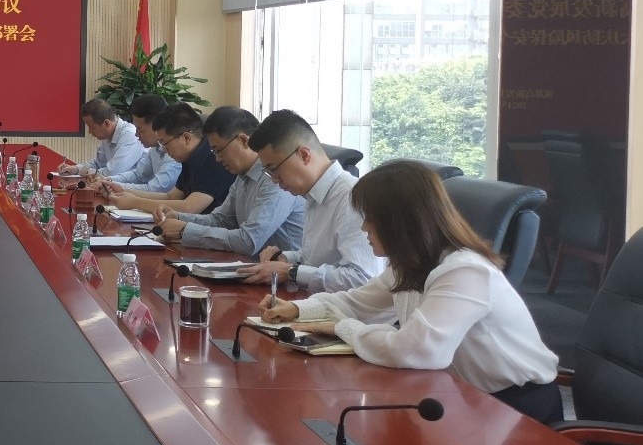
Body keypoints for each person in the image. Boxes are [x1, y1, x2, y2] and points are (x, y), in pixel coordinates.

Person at [259, 160, 562, 424]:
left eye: (369, 217)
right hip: (460, 394)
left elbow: (415, 349)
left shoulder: (464, 271)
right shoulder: (411, 264)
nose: (363, 228)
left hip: (517, 408)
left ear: (399, 222)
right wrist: (297, 309)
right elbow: (359, 302)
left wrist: (342, 327)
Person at [236, 110, 380, 292]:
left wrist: (291, 272)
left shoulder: (352, 199)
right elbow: (318, 259)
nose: (274, 180)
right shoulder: (312, 195)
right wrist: (285, 258)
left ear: (304, 155)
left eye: (274, 169)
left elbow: (362, 279)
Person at [155, 106, 304, 257]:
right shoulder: (242, 176)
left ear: (243, 140)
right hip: (250, 264)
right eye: (213, 151)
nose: (217, 158)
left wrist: (184, 230)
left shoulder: (274, 179)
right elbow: (220, 220)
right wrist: (178, 217)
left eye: (219, 150)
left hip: (279, 269)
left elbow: (248, 241)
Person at [106, 102, 235, 215]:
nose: (163, 150)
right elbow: (171, 196)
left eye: (164, 143)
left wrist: (135, 202)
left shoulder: (214, 157)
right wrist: (124, 191)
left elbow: (189, 207)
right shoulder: (190, 157)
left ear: (186, 138)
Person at [91, 94, 181, 193]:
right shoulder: (155, 149)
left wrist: (115, 186)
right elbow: (138, 175)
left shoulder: (174, 153)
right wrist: (109, 180)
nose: (136, 134)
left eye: (140, 130)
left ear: (156, 125)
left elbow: (154, 190)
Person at [58, 98, 144, 177]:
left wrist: (85, 171)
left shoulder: (129, 135)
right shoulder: (107, 136)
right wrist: (76, 169)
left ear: (106, 123)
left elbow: (112, 172)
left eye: (92, 127)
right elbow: (98, 164)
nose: (90, 131)